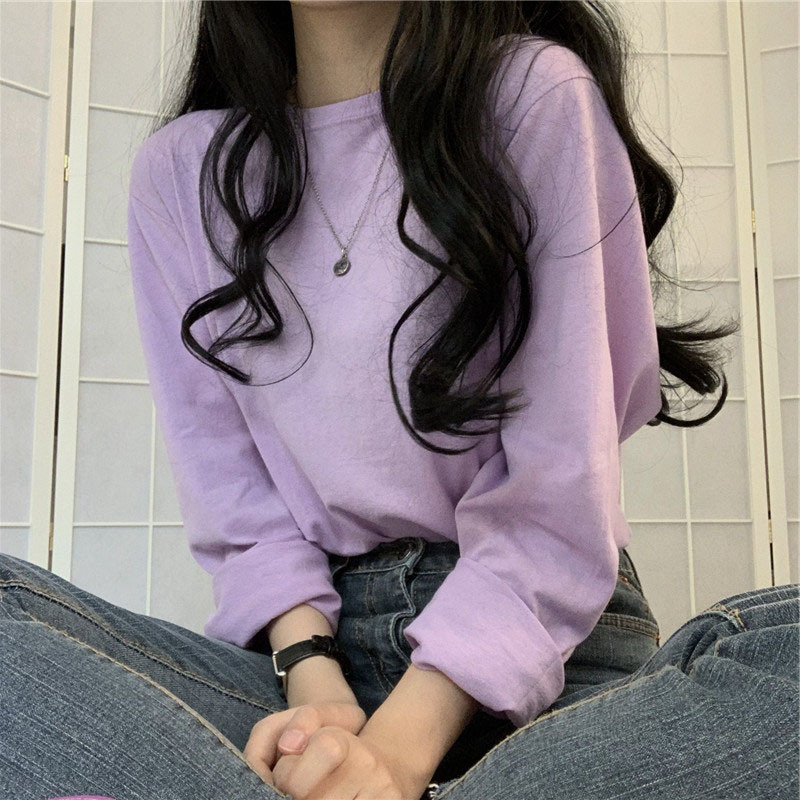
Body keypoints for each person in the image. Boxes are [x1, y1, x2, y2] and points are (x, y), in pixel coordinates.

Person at [2, 2, 796, 799]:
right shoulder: (182, 173)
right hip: (313, 667)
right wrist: (319, 698)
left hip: (550, 665)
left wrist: (392, 757)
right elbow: (236, 502)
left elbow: (556, 503)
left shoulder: (534, 95)